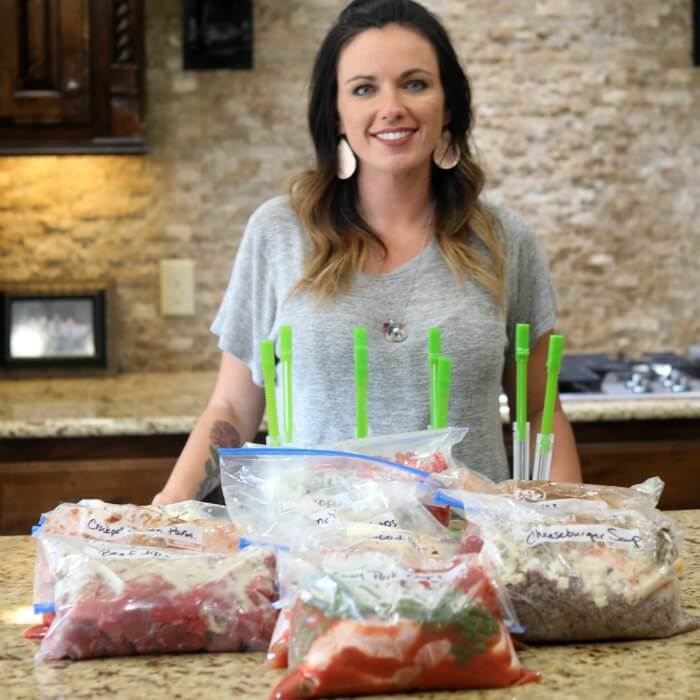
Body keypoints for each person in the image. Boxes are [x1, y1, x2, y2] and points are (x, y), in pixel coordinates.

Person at [153, 0, 581, 505]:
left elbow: (538, 410)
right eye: (364, 88)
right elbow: (231, 407)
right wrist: (169, 510)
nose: (392, 106)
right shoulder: (279, 232)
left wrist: (565, 529)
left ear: (448, 106)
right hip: (316, 557)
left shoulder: (504, 240)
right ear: (336, 113)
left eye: (415, 83)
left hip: (469, 559)